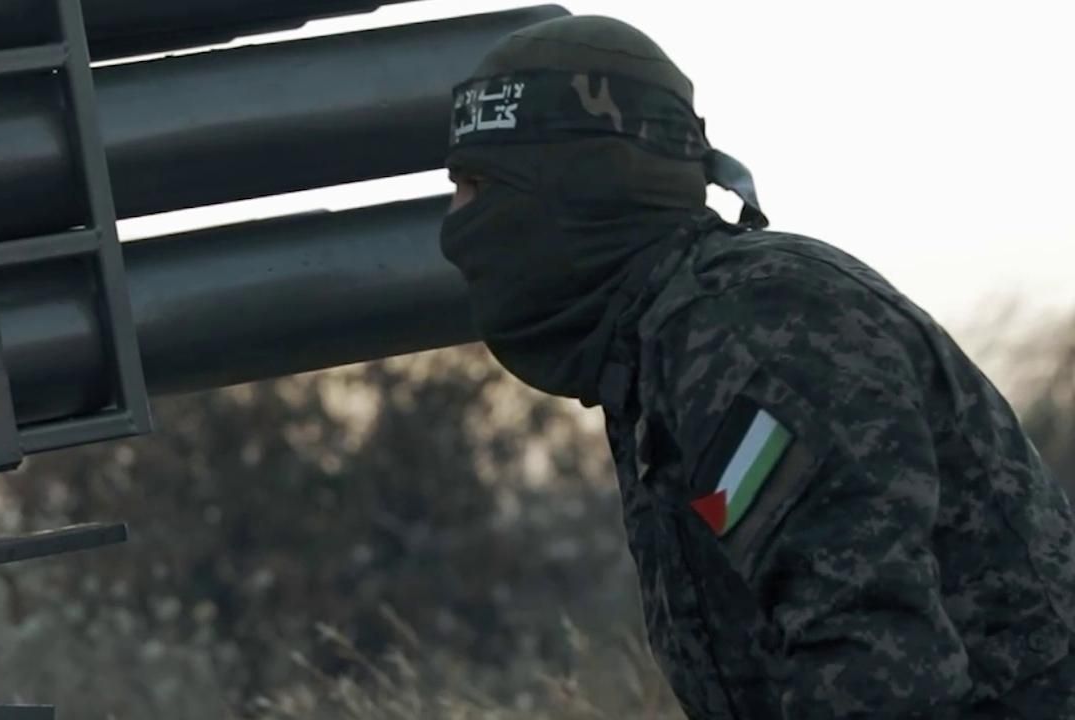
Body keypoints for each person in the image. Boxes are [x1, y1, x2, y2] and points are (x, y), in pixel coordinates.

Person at [437, 13, 1075, 719]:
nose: (455, 224)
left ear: (579, 186)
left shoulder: (752, 331)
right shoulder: (663, 343)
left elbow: (869, 663)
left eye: (478, 185)